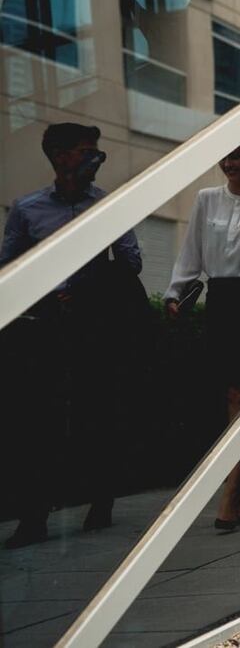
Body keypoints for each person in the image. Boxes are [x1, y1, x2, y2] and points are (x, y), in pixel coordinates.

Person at [1, 123, 143, 549]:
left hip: (93, 324)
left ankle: (100, 500)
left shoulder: (107, 205)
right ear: (60, 156)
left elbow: (132, 262)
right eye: (87, 152)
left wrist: (91, 282)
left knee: (94, 411)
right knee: (38, 421)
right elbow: (9, 267)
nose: (96, 159)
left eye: (98, 152)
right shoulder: (27, 209)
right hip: (45, 326)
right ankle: (34, 517)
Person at [163, 135, 240, 531]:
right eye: (225, 157)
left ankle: (230, 493)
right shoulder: (206, 199)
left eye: (236, 156)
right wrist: (175, 293)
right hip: (221, 301)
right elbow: (191, 252)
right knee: (230, 398)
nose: (229, 164)